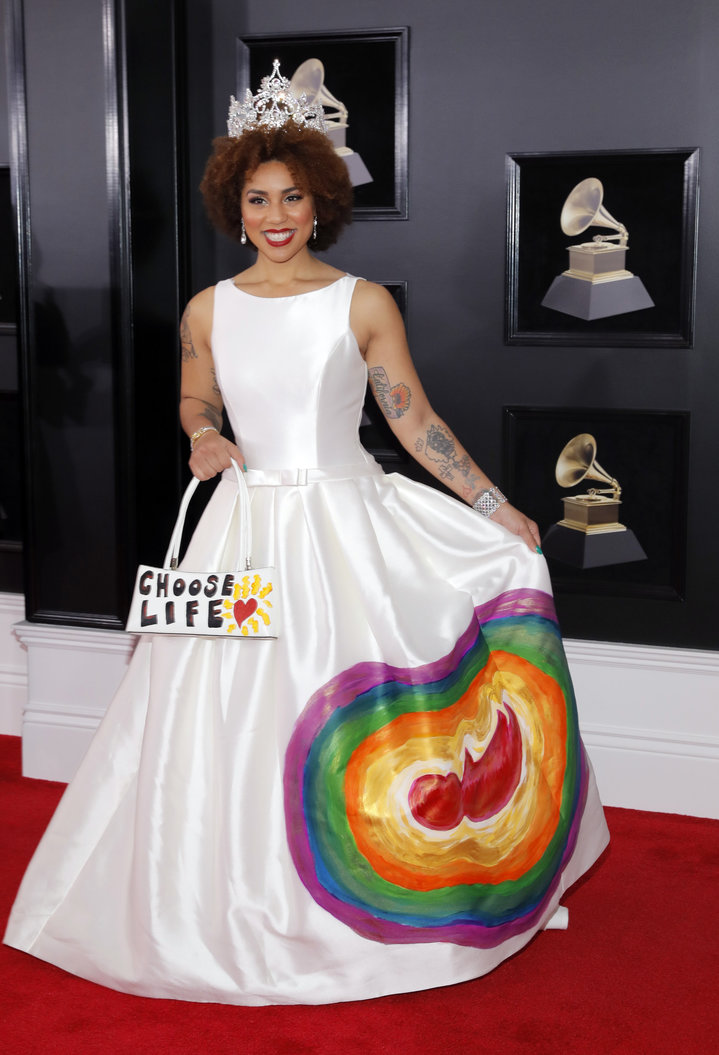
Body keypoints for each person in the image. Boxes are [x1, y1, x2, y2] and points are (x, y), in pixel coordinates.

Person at [4, 62, 609, 1006]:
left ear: (320, 202)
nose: (275, 214)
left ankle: (379, 898)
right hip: (241, 529)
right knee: (209, 722)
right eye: (257, 197)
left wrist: (494, 508)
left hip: (345, 527)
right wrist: (204, 434)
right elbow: (195, 393)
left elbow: (412, 423)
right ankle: (212, 900)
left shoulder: (362, 303)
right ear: (233, 205)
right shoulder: (209, 308)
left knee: (364, 710)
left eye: (292, 196)